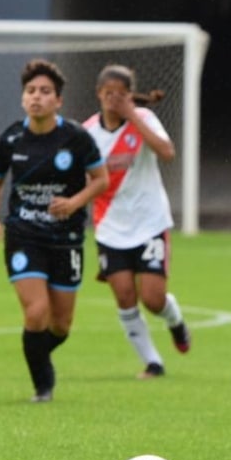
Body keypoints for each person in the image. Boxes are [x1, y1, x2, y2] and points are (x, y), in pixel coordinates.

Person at [0, 59, 109, 403]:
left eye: (45, 92)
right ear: (23, 98)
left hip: (66, 238)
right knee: (35, 312)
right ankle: (43, 385)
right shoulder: (10, 138)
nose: (36, 97)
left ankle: (38, 352)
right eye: (30, 91)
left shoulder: (76, 138)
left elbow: (101, 180)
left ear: (58, 100)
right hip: (23, 235)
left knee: (61, 324)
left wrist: (74, 202)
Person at [84, 64, 192, 379]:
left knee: (153, 298)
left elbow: (167, 152)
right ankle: (153, 363)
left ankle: (175, 322)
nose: (113, 100)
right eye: (108, 94)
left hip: (149, 223)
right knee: (124, 297)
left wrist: (133, 115)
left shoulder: (143, 120)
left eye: (120, 94)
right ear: (98, 95)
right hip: (110, 227)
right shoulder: (88, 131)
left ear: (130, 96)